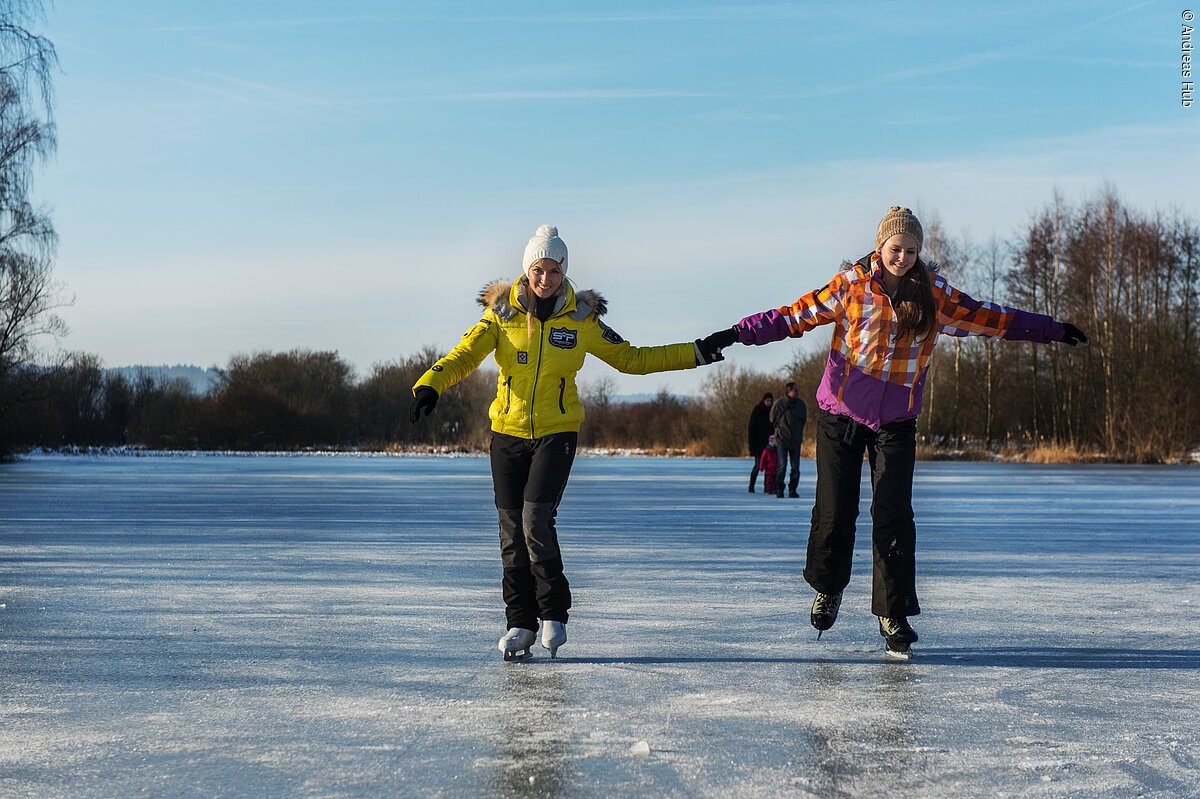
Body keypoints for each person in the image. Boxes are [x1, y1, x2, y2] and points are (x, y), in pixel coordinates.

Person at [699, 206, 1088, 657]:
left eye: (910, 250)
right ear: (880, 248)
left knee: (894, 516)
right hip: (840, 414)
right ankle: (828, 589)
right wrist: (731, 334)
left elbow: (992, 319)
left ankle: (893, 613)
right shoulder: (851, 286)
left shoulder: (934, 296)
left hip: (897, 422)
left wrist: (1053, 330)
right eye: (894, 249)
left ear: (919, 252)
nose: (901, 257)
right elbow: (791, 316)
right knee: (834, 510)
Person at [410, 224, 730, 661]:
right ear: (527, 272)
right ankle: (519, 623)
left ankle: (553, 613)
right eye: (538, 270)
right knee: (510, 532)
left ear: (564, 273)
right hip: (506, 433)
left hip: (557, 433)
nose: (546, 279)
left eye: (555, 270)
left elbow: (633, 359)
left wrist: (695, 351)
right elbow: (464, 355)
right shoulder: (501, 316)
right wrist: (431, 383)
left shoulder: (581, 319)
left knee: (535, 522)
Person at [770, 381, 807, 498]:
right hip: (781, 440)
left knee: (795, 468)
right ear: (788, 391)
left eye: (797, 390)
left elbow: (803, 420)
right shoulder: (779, 404)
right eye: (795, 390)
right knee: (782, 465)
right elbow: (772, 419)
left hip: (795, 440)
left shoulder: (801, 405)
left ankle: (792, 490)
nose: (797, 393)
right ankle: (779, 488)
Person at [746, 392, 774, 492]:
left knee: (769, 467)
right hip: (758, 444)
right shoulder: (757, 410)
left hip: (769, 444)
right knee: (758, 465)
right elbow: (752, 428)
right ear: (763, 400)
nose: (769, 403)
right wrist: (751, 444)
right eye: (767, 400)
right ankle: (751, 485)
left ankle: (768, 487)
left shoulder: (772, 412)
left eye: (771, 401)